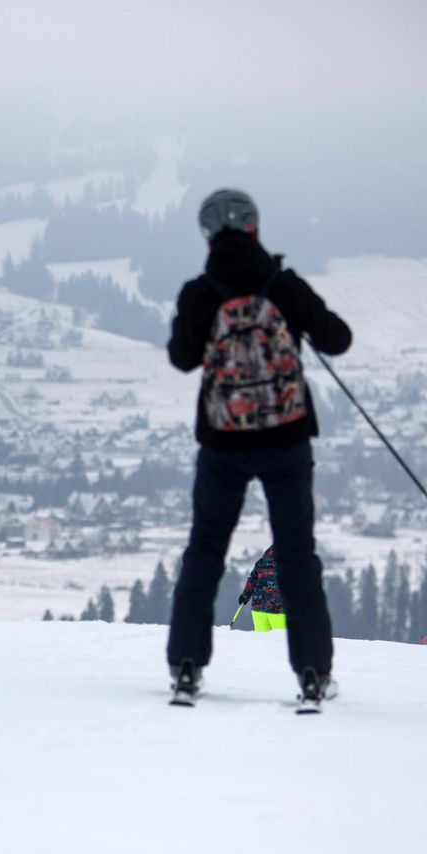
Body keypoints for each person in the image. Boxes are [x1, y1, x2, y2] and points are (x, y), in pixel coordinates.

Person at [166, 188, 351, 708]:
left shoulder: (200, 291)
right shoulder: (282, 284)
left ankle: (186, 668)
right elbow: (337, 339)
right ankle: (314, 673)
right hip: (286, 439)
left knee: (205, 551)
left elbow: (182, 358)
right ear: (255, 227)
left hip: (222, 441)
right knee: (297, 556)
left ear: (207, 235)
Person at [239, 546, 286, 632]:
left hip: (258, 609)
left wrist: (245, 596)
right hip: (279, 610)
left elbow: (252, 580)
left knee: (262, 642)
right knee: (280, 642)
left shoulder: (261, 563)